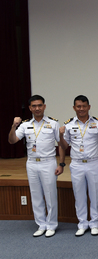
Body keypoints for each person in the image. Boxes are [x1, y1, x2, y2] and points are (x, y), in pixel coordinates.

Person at [8, 95, 64, 237]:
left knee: (50, 194)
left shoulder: (53, 123)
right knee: (36, 195)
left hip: (48, 162)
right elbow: (12, 140)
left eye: (40, 105)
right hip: (32, 163)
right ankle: (41, 224)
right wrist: (13, 126)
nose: (37, 108)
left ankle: (51, 225)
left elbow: (62, 145)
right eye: (34, 106)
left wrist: (62, 163)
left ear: (44, 106)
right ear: (30, 108)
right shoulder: (25, 125)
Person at [58, 95, 98, 236]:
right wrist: (60, 136)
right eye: (78, 106)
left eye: (84, 106)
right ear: (74, 108)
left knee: (95, 194)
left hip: (93, 163)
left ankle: (95, 223)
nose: (81, 109)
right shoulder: (68, 125)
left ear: (89, 107)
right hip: (77, 164)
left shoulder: (97, 123)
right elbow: (64, 146)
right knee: (79, 195)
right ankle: (82, 223)